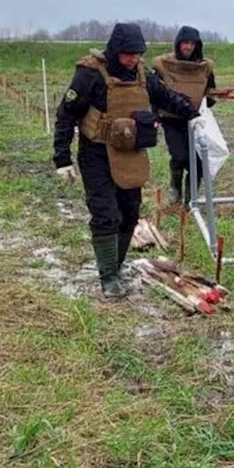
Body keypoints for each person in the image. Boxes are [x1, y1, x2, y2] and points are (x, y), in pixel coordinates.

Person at [53, 22, 200, 298]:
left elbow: (166, 97)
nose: (133, 59)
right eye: (128, 54)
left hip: (131, 153)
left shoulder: (142, 75)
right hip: (96, 153)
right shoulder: (90, 74)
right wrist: (62, 158)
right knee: (106, 215)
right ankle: (108, 277)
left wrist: (194, 114)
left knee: (130, 212)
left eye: (138, 54)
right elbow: (66, 114)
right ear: (115, 50)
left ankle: (117, 266)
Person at [151, 25, 232, 204]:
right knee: (179, 156)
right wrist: (154, 116)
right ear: (178, 44)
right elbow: (154, 92)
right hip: (172, 119)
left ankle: (191, 199)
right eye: (184, 43)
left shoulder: (204, 67)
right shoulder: (163, 65)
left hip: (194, 120)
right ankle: (175, 188)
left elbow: (207, 90)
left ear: (197, 45)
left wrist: (218, 94)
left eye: (192, 44)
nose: (188, 47)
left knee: (197, 161)